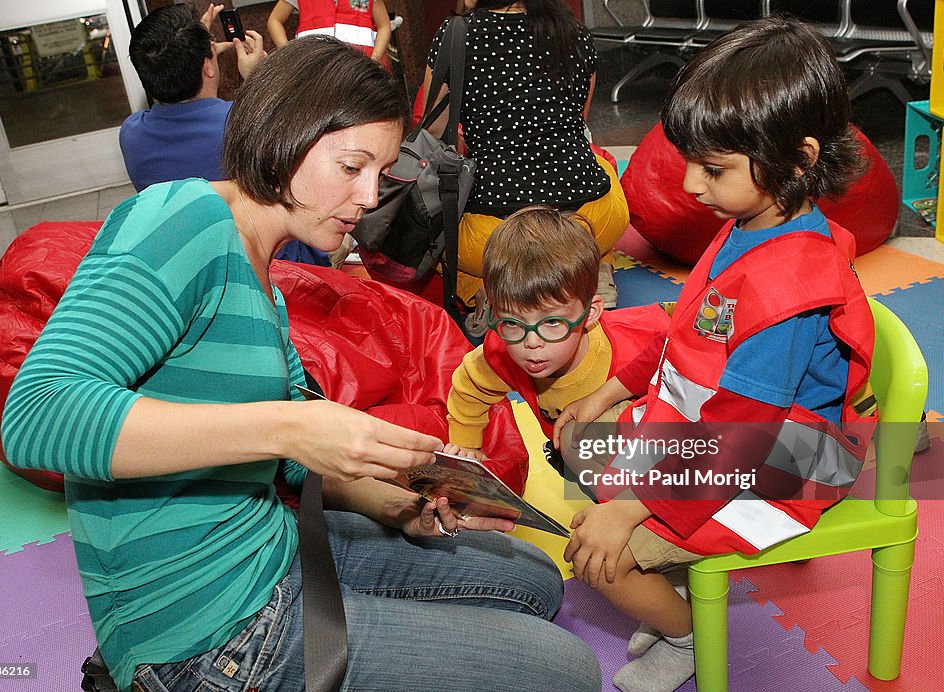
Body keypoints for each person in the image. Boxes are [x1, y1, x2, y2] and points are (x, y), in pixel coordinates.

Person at [2, 37, 600, 691]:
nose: (370, 196)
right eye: (352, 167)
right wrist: (288, 426)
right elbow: (37, 413)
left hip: (271, 545)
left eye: (382, 171)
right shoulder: (179, 220)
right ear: (286, 137)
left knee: (534, 578)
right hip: (207, 634)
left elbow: (288, 463)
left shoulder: (266, 275)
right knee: (566, 671)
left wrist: (401, 501)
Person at [550, 16, 876, 692]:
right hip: (728, 428)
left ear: (799, 159)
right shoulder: (749, 224)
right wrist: (612, 392)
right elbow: (687, 332)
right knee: (589, 455)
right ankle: (677, 595)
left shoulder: (787, 285)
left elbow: (743, 436)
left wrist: (632, 507)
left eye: (714, 168)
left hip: (787, 456)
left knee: (604, 558)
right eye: (691, 160)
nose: (692, 185)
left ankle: (687, 633)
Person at [423, 0, 629, 331]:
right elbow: (579, 122)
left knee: (430, 237)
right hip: (592, 221)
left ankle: (489, 291)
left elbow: (432, 129)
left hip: (495, 239)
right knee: (602, 166)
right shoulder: (573, 31)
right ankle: (592, 269)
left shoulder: (457, 34)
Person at [446, 206, 667, 475]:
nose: (531, 342)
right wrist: (466, 446)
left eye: (552, 322)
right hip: (576, 449)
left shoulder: (634, 345)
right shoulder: (501, 350)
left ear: (591, 314)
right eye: (513, 323)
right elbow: (469, 389)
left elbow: (692, 339)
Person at [121, 2, 327, 266]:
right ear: (208, 67)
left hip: (195, 263)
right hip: (276, 267)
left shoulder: (131, 134)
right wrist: (259, 79)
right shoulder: (244, 124)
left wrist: (193, 42)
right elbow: (308, 132)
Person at [267, 0, 391, 63]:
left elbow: (384, 26)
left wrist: (374, 60)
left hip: (361, 67)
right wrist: (290, 53)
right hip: (315, 66)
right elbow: (274, 20)